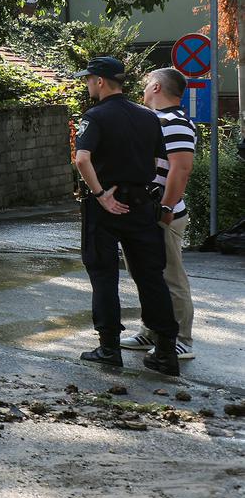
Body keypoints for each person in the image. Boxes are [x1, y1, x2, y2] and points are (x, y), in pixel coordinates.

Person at [71, 56, 181, 376]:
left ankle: (109, 349)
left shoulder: (95, 116)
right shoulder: (149, 117)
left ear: (101, 82)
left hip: (107, 208)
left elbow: (82, 159)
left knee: (104, 275)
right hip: (142, 206)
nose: (88, 84)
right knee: (151, 278)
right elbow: (165, 164)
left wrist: (100, 194)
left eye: (89, 79)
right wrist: (159, 203)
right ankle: (164, 352)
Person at [122, 67, 198, 361]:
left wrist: (166, 207)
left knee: (170, 276)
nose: (142, 89)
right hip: (146, 210)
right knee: (145, 274)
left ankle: (181, 338)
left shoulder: (175, 122)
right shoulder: (156, 120)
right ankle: (151, 330)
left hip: (162, 212)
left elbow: (182, 168)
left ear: (155, 87)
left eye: (145, 84)